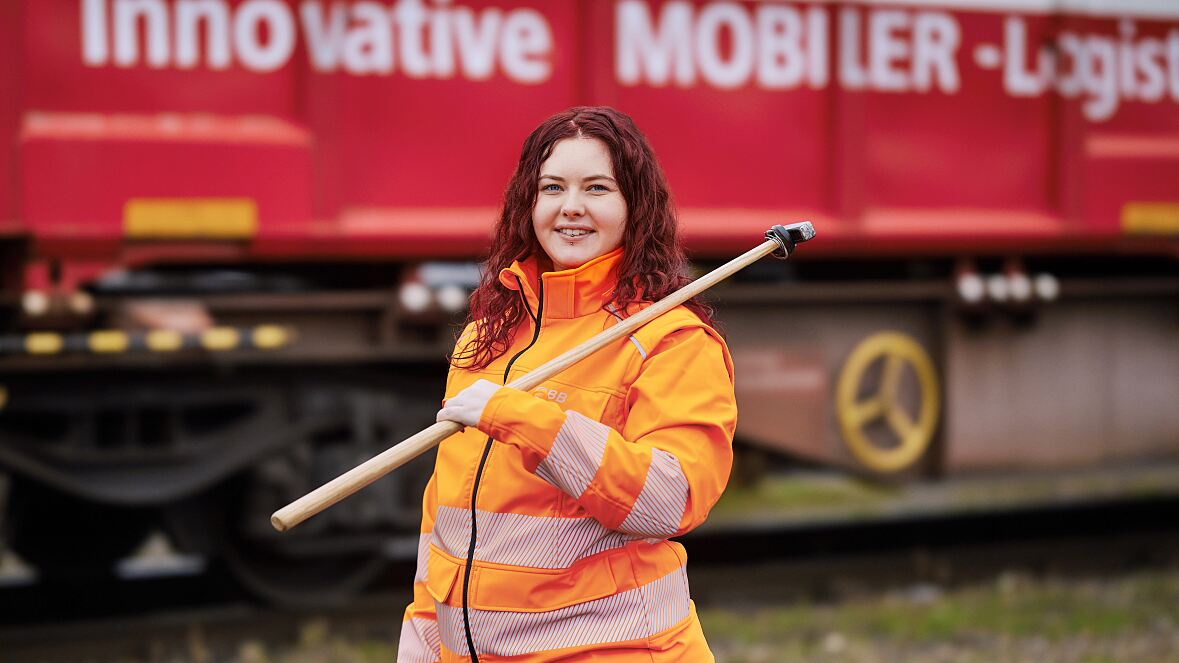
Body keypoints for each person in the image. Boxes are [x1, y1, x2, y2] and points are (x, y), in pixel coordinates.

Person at [397, 107, 738, 662]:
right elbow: (445, 521)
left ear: (635, 207)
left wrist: (524, 419)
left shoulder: (671, 341)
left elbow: (669, 499)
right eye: (551, 187)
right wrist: (422, 642)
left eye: (597, 188)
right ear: (527, 204)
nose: (570, 207)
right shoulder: (487, 339)